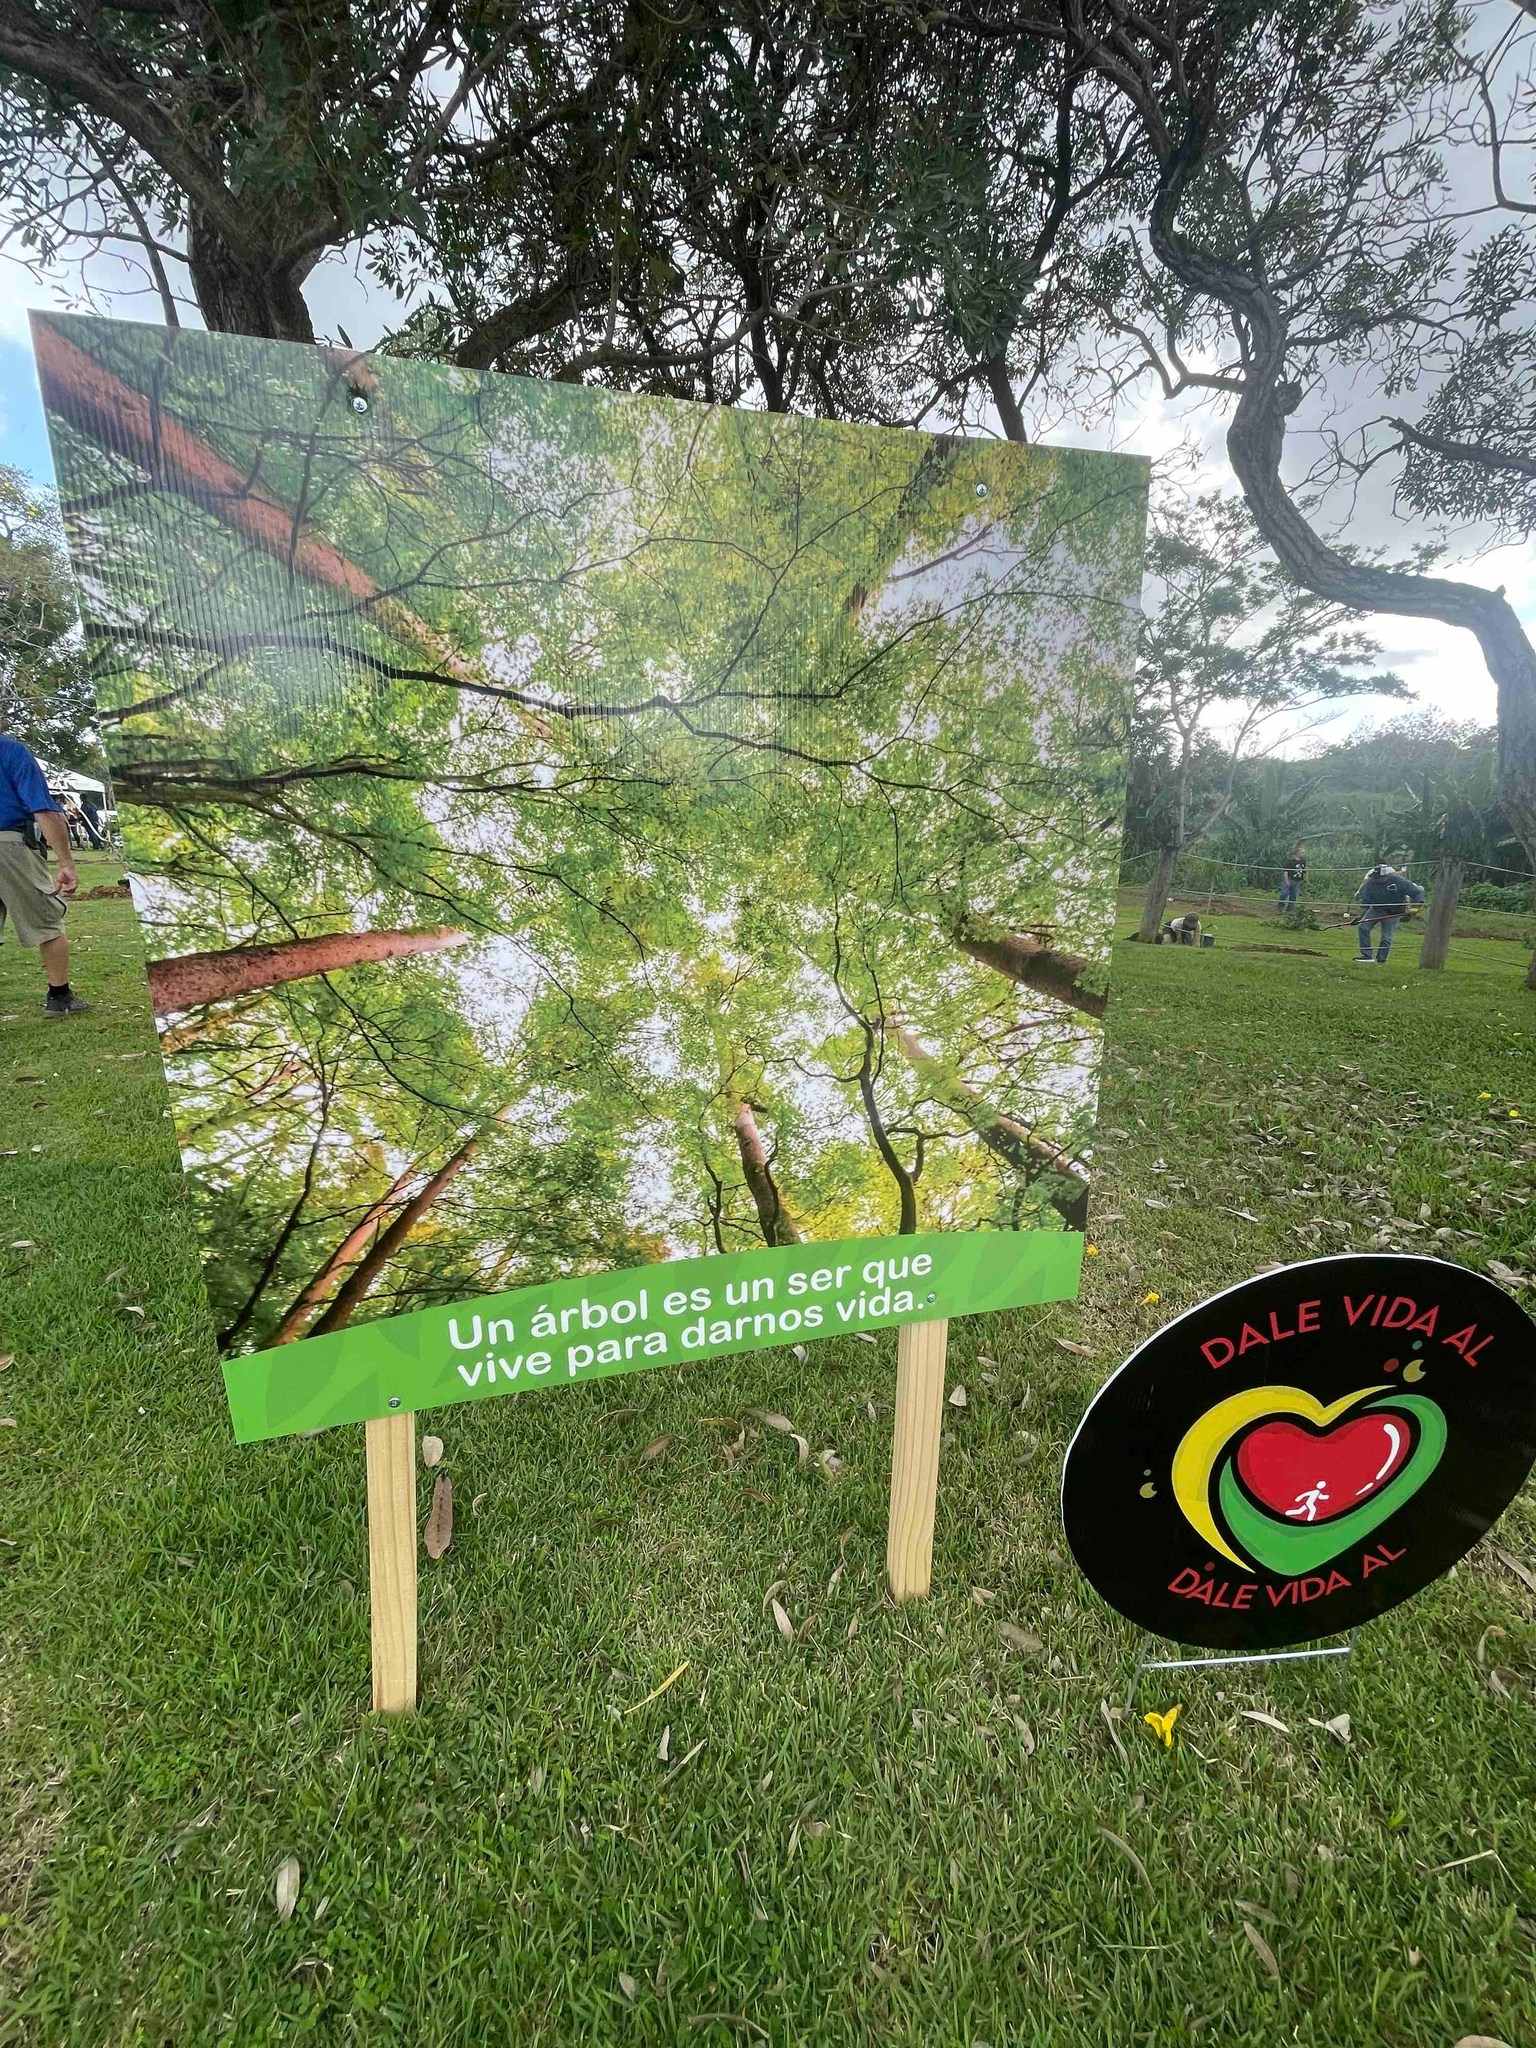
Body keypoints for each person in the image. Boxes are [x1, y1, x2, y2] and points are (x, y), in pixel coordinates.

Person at [0, 733, 89, 1016]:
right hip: (9, 847)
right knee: (47, 920)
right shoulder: (10, 752)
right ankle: (59, 996)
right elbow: (43, 810)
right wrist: (67, 864)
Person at [1353, 862, 1424, 964]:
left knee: (1386, 937)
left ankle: (1381, 960)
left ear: (1386, 876)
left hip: (1394, 913)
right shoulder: (1370, 884)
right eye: (1374, 877)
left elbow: (1417, 891)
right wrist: (1359, 917)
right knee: (1363, 927)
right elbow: (1366, 902)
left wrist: (1417, 905)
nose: (1375, 879)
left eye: (1378, 877)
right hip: (1377, 909)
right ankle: (1366, 955)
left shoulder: (1400, 882)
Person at [1276, 844, 1308, 913]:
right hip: (1290, 879)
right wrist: (1286, 880)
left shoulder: (1303, 861)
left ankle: (1289, 910)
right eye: (1302, 853)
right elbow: (1286, 871)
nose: (1303, 854)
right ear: (1297, 853)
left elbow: (1304, 871)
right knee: (1284, 893)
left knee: (1293, 896)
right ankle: (1280, 906)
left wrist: (1304, 879)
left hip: (1298, 881)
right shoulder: (1291, 861)